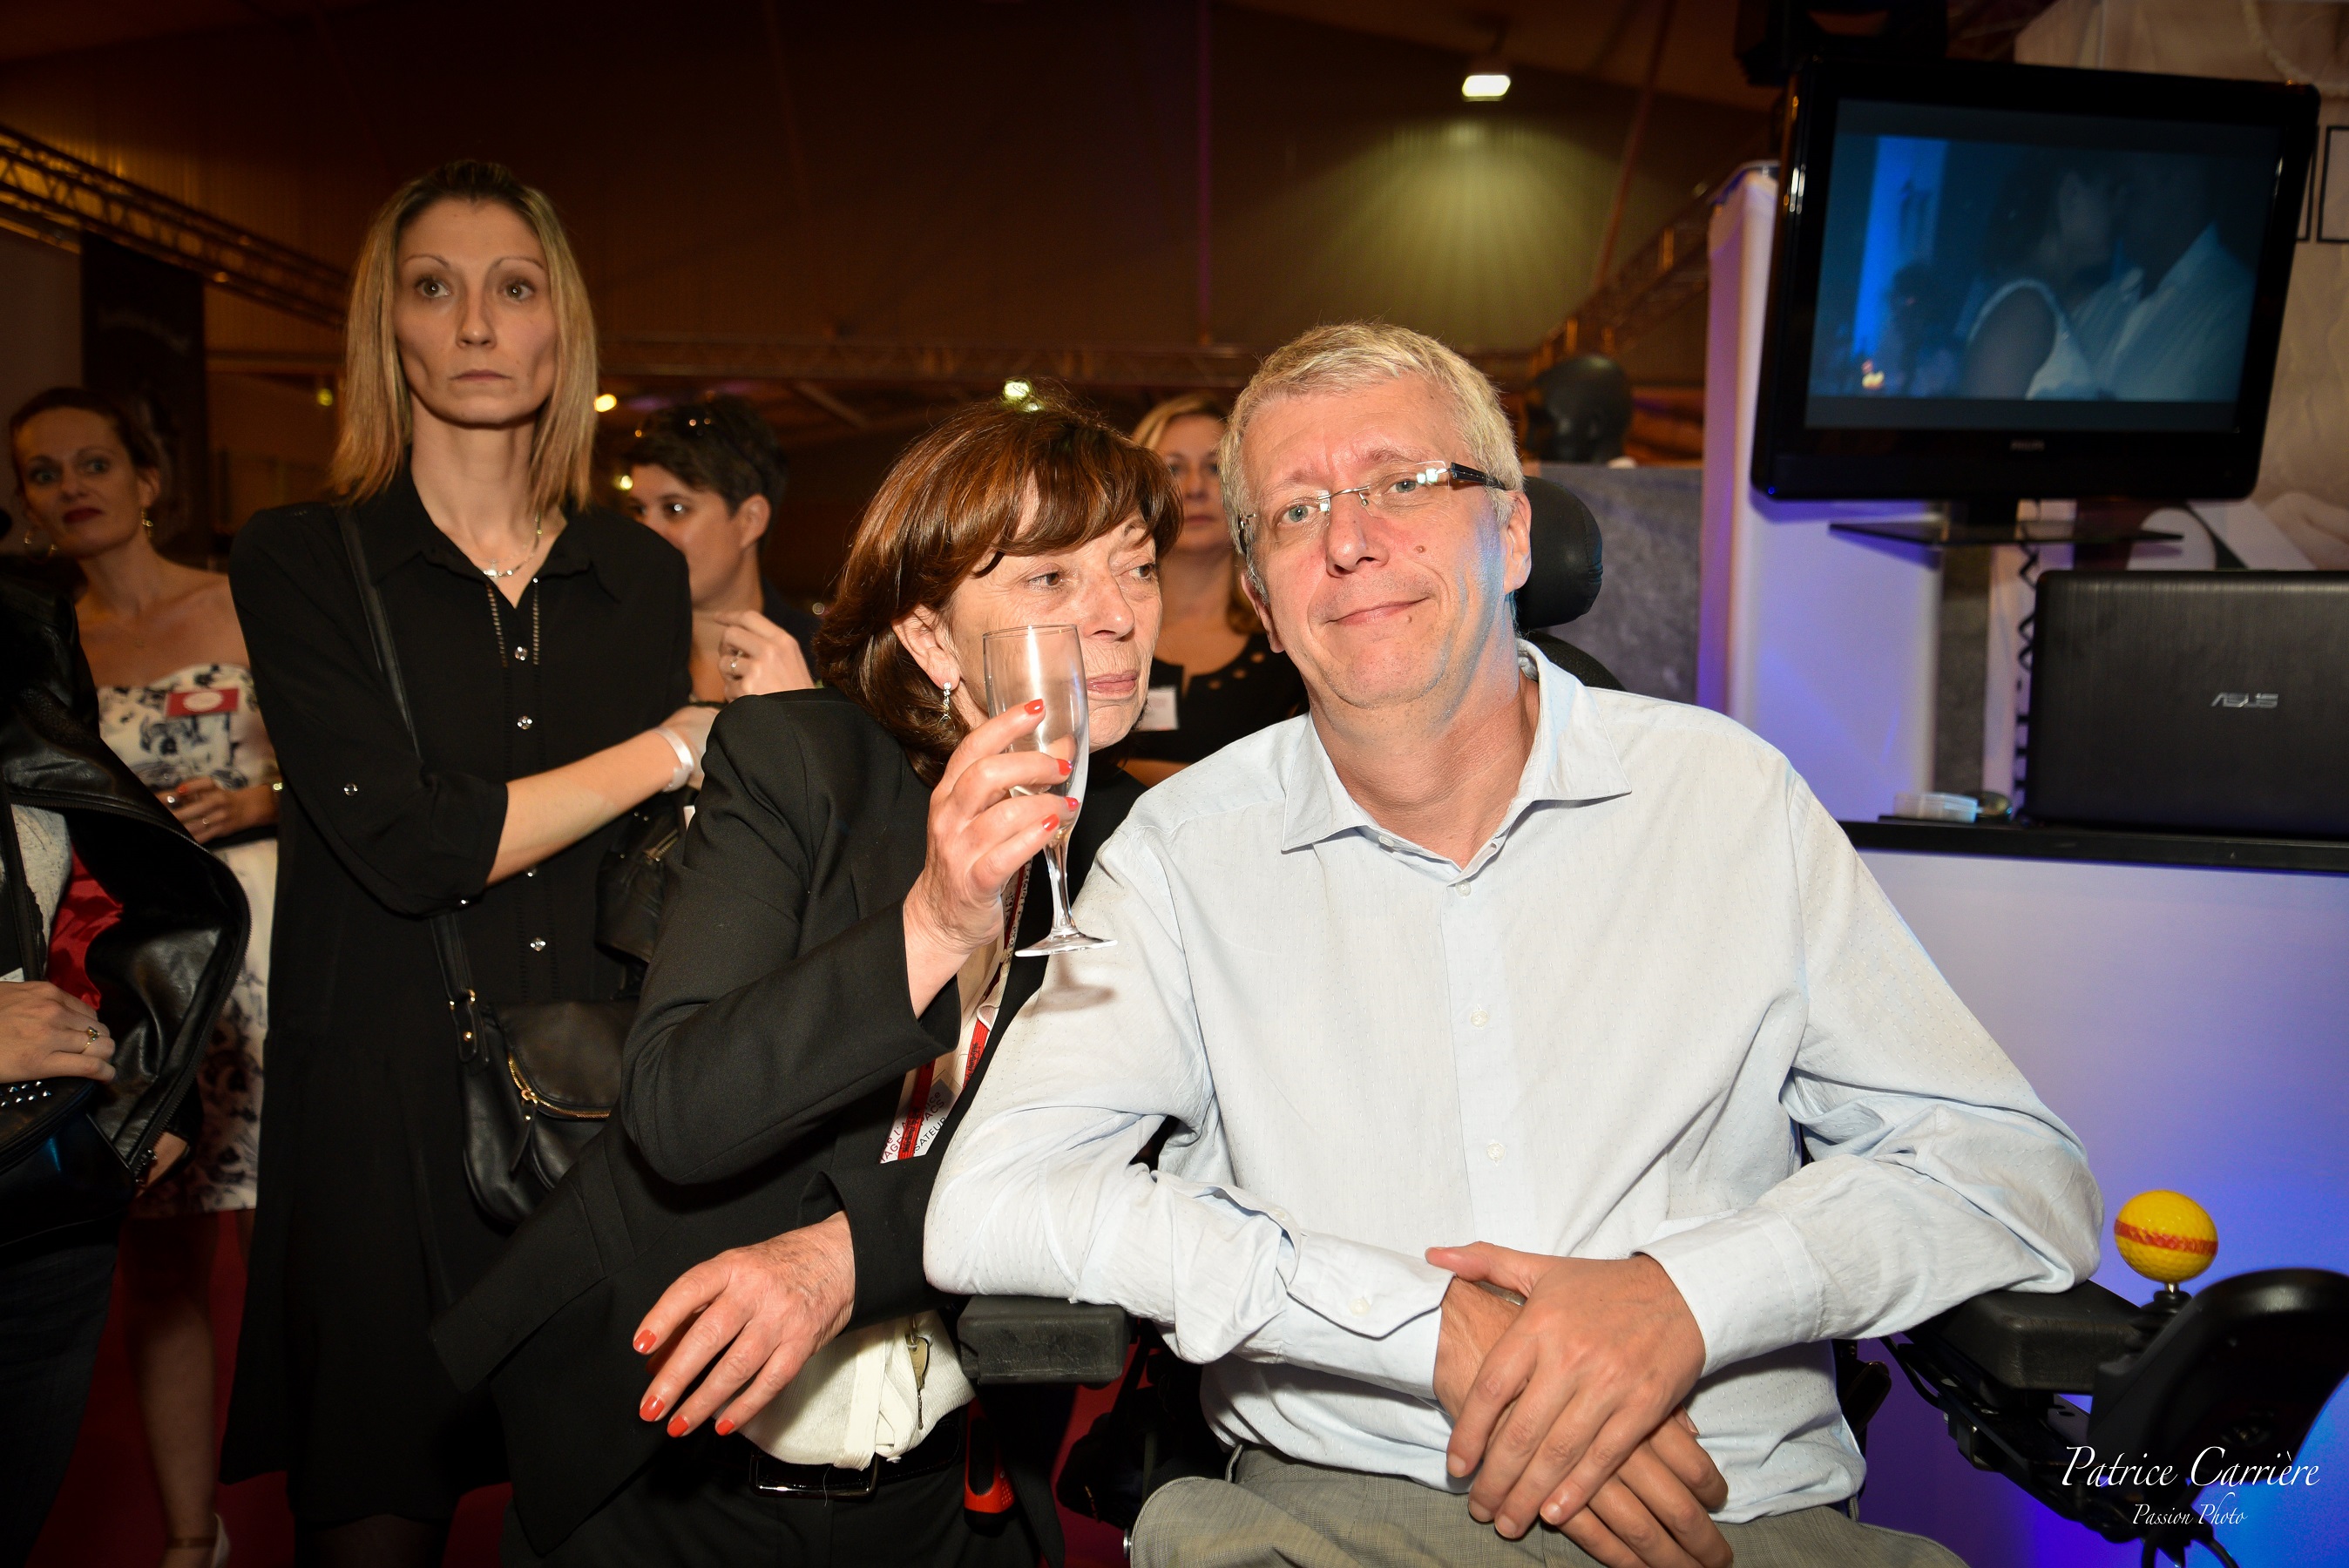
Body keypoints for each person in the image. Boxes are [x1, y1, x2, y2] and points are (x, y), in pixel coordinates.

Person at [929, 322, 2102, 1568]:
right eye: (1296, 511)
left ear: (1517, 533)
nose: (1349, 538)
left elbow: (2012, 1174)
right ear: (1262, 602)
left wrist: (1683, 1302)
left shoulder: (1728, 801)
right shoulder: (1181, 856)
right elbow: (992, 1201)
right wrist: (1422, 1326)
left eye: (1403, 483)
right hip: (1337, 1513)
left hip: (1723, 1514)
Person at [431, 394, 1177, 1568]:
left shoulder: (1150, 842)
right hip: (672, 1471)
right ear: (930, 638)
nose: (1119, 615)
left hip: (956, 1494)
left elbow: (1107, 1165)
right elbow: (679, 1113)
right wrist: (933, 923)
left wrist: (849, 1258)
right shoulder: (801, 763)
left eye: (1135, 567)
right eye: (1048, 577)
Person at [220, 160, 707, 1568]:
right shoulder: (303, 559)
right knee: (374, 1518)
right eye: (435, 289)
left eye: (515, 288)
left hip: (598, 1110)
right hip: (379, 1115)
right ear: (389, 326)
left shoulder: (638, 575)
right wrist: (678, 745)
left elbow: (656, 873)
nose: (478, 324)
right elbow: (409, 843)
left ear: (563, 328)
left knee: (614, 1529)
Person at [10, 383, 279, 1568]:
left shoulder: (241, 600)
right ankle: (186, 1542)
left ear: (148, 479)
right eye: (43, 473)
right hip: (144, 981)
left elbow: (356, 770)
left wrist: (264, 799)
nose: (72, 487)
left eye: (95, 462)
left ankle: (334, 1518)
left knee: (290, 1266)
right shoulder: (43, 642)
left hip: (269, 948)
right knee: (160, 1269)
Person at [1120, 394, 1303, 786]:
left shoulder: (1292, 638)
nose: (1195, 488)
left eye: (1215, 468)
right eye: (1172, 469)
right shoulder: (1099, 630)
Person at [620, 395, 821, 700]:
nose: (645, 534)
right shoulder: (612, 652)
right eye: (638, 510)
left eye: (675, 509)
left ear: (750, 521)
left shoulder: (829, 666)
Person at [2082, 152, 2257, 403]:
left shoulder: (2236, 309)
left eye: (2129, 189)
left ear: (2184, 185)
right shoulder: (2101, 302)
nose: (2116, 208)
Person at [1959, 154, 2119, 401]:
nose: (2120, 208)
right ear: (2071, 193)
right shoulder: (2025, 309)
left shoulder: (2046, 303)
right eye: (2110, 192)